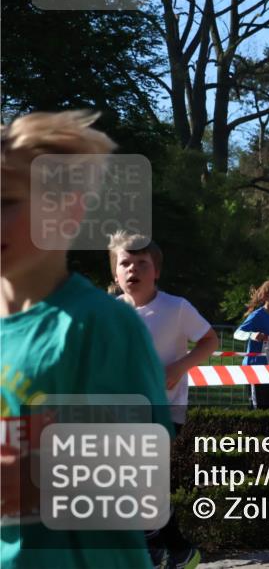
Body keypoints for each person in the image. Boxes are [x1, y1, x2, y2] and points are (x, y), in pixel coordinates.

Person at [1, 111, 173, 568]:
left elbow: (139, 480)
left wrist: (26, 478)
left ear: (69, 211)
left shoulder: (99, 325)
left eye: (7, 201)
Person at [109, 230, 219, 568]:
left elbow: (210, 340)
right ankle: (178, 550)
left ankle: (154, 548)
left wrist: (179, 367)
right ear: (115, 273)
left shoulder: (176, 307)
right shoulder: (111, 311)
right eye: (124, 263)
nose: (133, 270)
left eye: (142, 263)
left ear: (156, 271)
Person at [234, 280, 269, 410]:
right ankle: (245, 431)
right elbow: (237, 333)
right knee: (257, 408)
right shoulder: (257, 315)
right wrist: (252, 335)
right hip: (253, 367)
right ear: (266, 297)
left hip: (268, 367)